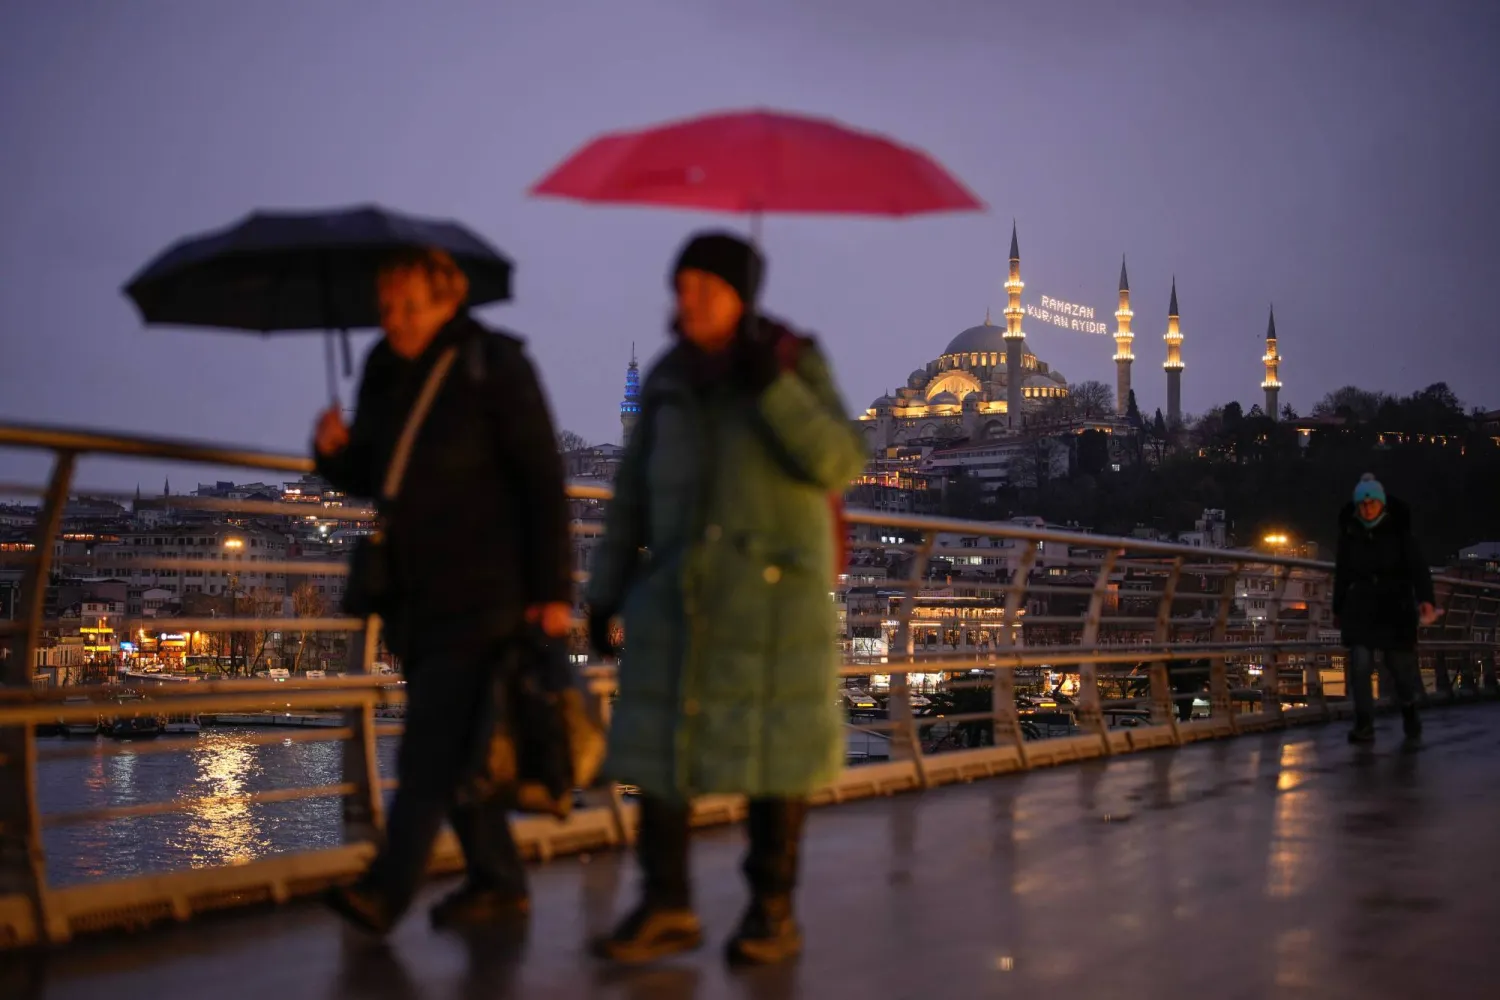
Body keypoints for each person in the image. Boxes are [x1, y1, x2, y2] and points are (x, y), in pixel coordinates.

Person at [585, 232, 867, 966]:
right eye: (682, 286)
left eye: (707, 286)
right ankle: (666, 905)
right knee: (660, 753)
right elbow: (630, 499)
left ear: (742, 294)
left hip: (776, 599)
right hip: (678, 596)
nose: (690, 301)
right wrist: (605, 591)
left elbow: (839, 458)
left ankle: (771, 911)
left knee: (776, 757)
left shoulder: (791, 359)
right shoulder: (671, 377)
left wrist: (768, 386)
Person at [314, 247, 573, 934]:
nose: (394, 319)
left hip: (489, 589)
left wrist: (551, 594)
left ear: (449, 298)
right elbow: (374, 475)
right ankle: (498, 878)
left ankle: (387, 889)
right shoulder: (382, 368)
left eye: (409, 305)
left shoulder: (494, 365)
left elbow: (543, 482)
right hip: (412, 591)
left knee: (430, 741)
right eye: (386, 306)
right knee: (464, 743)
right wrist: (332, 455)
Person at [1332, 473, 1439, 746]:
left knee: (1400, 668)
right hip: (1361, 608)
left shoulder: (1400, 533)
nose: (1367, 509)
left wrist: (1426, 599)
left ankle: (1409, 711)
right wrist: (1338, 608)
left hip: (1395, 607)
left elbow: (1418, 569)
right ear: (1357, 506)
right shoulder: (1350, 533)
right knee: (1360, 663)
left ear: (1381, 504)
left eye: (1372, 503)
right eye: (1363, 505)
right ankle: (1364, 724)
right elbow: (1342, 574)